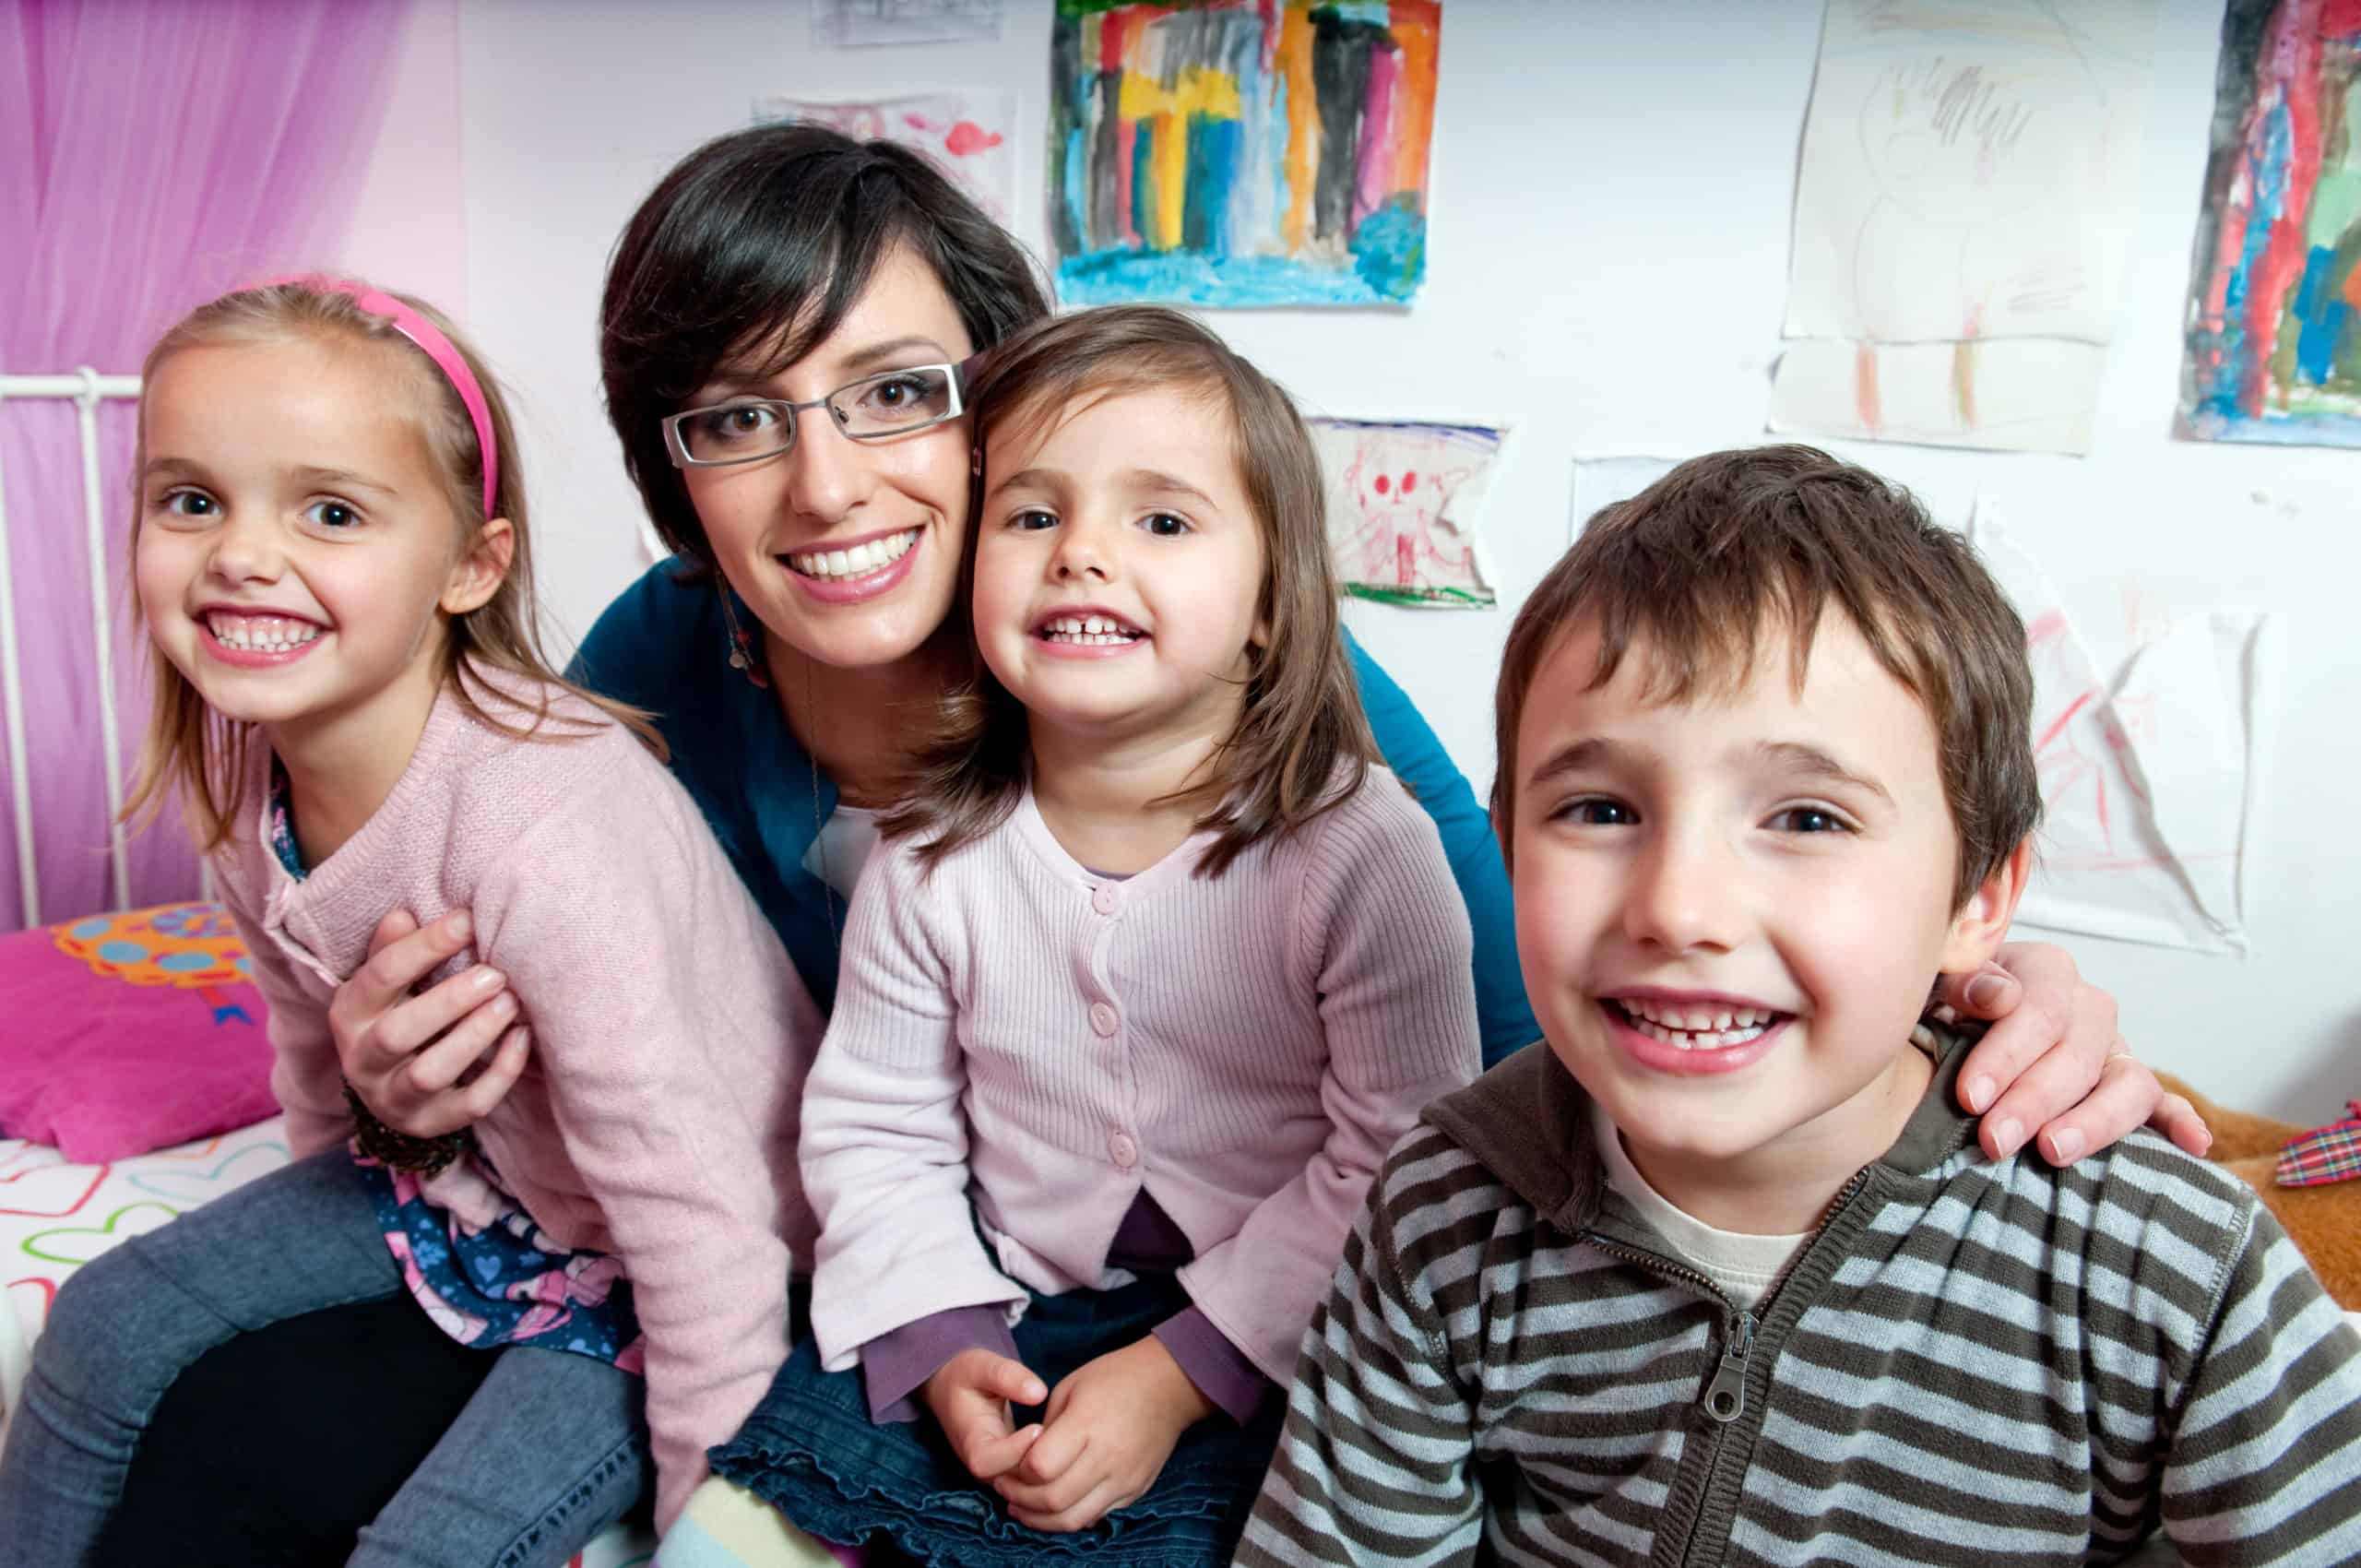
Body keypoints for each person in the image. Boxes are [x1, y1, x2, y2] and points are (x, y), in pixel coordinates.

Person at [106, 127, 2195, 1544]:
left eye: (902, 392)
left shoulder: (1242, 712)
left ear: (1020, 398)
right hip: (863, 1300)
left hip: (1210, 1327)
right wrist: (391, 1084)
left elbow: (1545, 1008)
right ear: (679, 483)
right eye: (736, 419)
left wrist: (1956, 981)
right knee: (223, 1434)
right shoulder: (662, 663)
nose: (822, 484)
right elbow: (533, 949)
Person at [1236, 446, 2361, 1568]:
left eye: (1808, 819)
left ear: (1978, 897)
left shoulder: (2160, 1260)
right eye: (1597, 807)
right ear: (1509, 850)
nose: (1679, 908)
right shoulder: (1448, 1208)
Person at [0, 278, 823, 1563]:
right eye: (191, 500)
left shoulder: (541, 825)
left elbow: (697, 1206)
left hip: (676, 1253)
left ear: (468, 566)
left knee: (426, 1547)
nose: (242, 555)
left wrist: (703, 1511)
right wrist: (322, 1256)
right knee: (102, 1320)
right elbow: (317, 1056)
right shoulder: (240, 780)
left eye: (329, 511)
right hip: (468, 1184)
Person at [662, 305, 1484, 1568]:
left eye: (1160, 521)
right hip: (1011, 1302)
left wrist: (1183, 1373)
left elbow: (1404, 1161)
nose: (1082, 556)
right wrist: (941, 1335)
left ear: (1272, 602)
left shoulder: (1361, 849)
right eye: (1033, 516)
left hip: (1294, 1328)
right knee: (722, 1537)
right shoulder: (929, 856)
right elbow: (880, 1125)